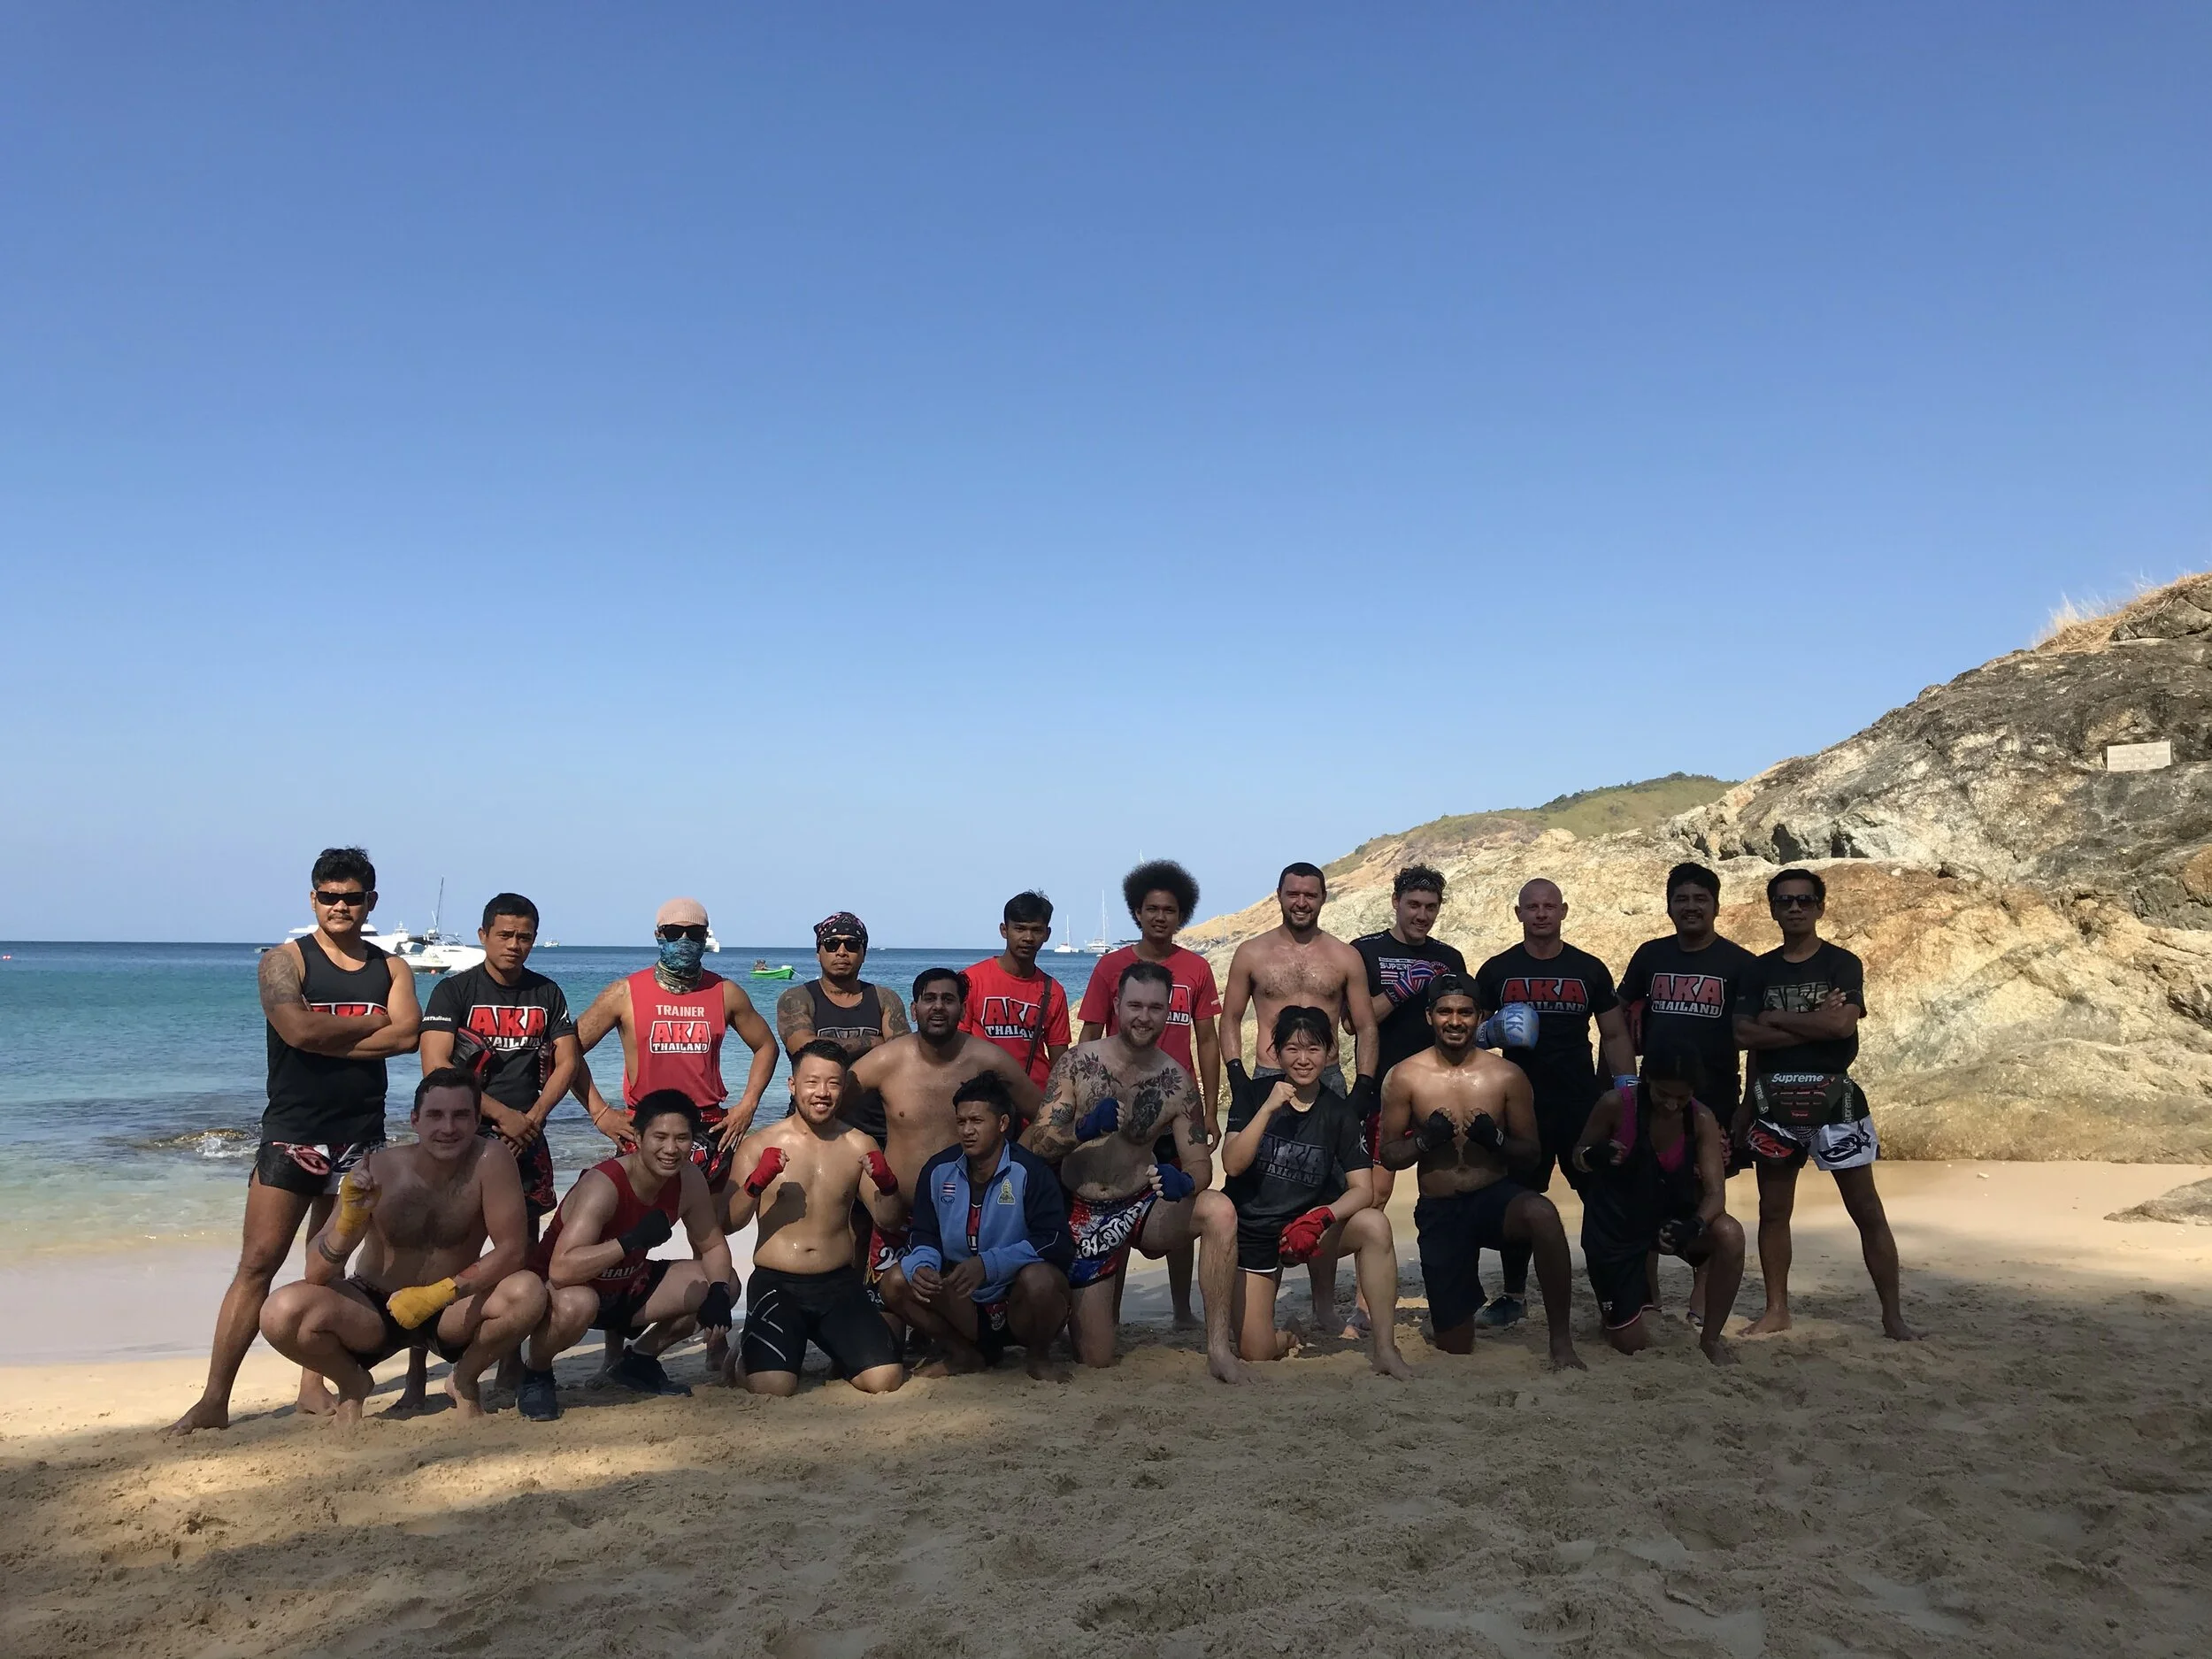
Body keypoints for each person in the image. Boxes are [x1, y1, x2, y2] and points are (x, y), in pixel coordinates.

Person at [171, 847, 422, 1435]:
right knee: (257, 1264)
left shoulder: (392, 969)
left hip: (360, 1136)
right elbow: (297, 1029)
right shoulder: (283, 962)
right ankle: (214, 1399)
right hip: (292, 1134)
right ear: (313, 899)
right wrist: (369, 1024)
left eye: (351, 897)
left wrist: (329, 1035)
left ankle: (313, 1383)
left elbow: (409, 1035)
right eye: (329, 896)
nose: (340, 906)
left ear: (371, 902)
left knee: (326, 1266)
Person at [257, 1069, 549, 1422]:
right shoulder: (377, 1169)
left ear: (476, 1121)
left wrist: (438, 1295)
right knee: (280, 1312)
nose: (448, 1128)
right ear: (415, 1121)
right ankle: (353, 1383)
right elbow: (316, 1273)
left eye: (460, 1116)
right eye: (435, 1115)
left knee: (528, 1292)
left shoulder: (492, 1160)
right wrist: (350, 1221)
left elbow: (512, 1251)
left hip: (449, 1308)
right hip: (374, 1309)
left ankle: (464, 1379)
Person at [1021, 961, 1243, 1382]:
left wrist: (1186, 1181)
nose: (1144, 1016)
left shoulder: (1176, 1081)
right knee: (1095, 1357)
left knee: (1219, 1210)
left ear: (1168, 1012)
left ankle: (1219, 1349)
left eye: (1156, 1008)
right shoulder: (1077, 1064)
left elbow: (1200, 1162)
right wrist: (1084, 1128)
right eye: (1135, 1005)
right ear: (1117, 1004)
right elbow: (1036, 1145)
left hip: (1143, 1204)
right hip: (1082, 1208)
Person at [1733, 869, 1917, 1340]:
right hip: (1772, 1099)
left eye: (1804, 900)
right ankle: (1777, 1309)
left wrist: (1775, 1017)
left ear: (1820, 907)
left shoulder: (1842, 964)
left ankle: (1892, 1316)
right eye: (1785, 900)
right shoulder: (1759, 969)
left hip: (1836, 1097)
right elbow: (1742, 1035)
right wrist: (1812, 1018)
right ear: (1772, 907)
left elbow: (1841, 1029)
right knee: (1774, 1211)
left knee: (1867, 1210)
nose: (1794, 908)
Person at [1377, 977, 1584, 1371]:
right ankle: (1460, 1308)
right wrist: (1424, 1141)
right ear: (1429, 1017)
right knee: (1456, 1345)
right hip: (1441, 1208)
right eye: (1445, 1011)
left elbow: (1531, 1154)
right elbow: (1389, 1156)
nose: (1454, 1021)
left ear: (1480, 1017)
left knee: (1542, 1213)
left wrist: (1496, 1139)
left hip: (1493, 1199)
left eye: (1465, 1012)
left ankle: (1561, 1341)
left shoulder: (1506, 1076)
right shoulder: (1405, 1076)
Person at [1468, 877, 1637, 1329]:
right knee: (1519, 1199)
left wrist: (1627, 1091)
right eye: (1532, 906)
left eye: (1549, 906)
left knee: (1597, 1195)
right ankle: (1513, 1295)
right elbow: (1468, 1034)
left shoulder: (1589, 969)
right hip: (1520, 1103)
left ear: (1563, 911)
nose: (1541, 913)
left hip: (1580, 1101)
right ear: (1519, 913)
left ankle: (1609, 1294)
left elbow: (1615, 1033)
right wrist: (1491, 1033)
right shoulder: (1497, 971)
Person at [1219, 862, 1379, 1336]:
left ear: (1324, 898)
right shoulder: (1253, 952)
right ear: (1280, 895)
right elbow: (1229, 1019)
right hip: (1268, 1075)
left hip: (1330, 1080)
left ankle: (1324, 1306)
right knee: (1259, 1186)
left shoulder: (1344, 956)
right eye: (1293, 893)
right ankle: (1253, 1286)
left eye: (1311, 894)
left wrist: (1364, 1089)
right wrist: (1237, 1075)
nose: (1301, 902)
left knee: (1329, 1193)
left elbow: (1366, 1025)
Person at [518, 1091, 741, 1415]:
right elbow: (561, 1270)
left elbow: (713, 1245)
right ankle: (536, 1373)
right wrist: (629, 1240)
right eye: (660, 1137)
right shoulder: (604, 1184)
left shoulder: (689, 1178)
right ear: (637, 1137)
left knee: (726, 1282)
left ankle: (638, 1360)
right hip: (565, 1295)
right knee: (577, 1302)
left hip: (627, 1285)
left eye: (682, 1139)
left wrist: (719, 1293)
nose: (670, 1149)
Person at [1219, 1006, 1412, 1379]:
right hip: (1256, 1231)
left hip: (1309, 1230)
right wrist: (1269, 1108)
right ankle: (1289, 1333)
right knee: (1255, 1351)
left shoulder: (1338, 1113)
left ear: (1329, 1053)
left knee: (1374, 1224)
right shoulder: (1253, 1095)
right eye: (1292, 1049)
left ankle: (1386, 1350)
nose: (1303, 1060)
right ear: (1275, 1053)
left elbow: (1363, 1189)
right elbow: (1231, 1165)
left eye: (1314, 1050)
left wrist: (1319, 1217)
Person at [572, 897, 777, 1233]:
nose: (683, 941)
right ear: (658, 935)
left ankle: (710, 1285)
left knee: (711, 1230)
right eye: (673, 932)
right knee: (622, 1226)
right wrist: (599, 1111)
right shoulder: (624, 993)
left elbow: (766, 1045)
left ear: (705, 937)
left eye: (694, 933)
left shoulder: (725, 992)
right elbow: (568, 1051)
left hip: (709, 1128)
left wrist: (748, 1104)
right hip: (647, 1126)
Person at [1075, 859, 1222, 1328]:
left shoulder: (1196, 968)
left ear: (1182, 915)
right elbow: (1090, 1033)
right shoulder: (1110, 966)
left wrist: (1211, 1107)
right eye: (1152, 909)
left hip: (1177, 1107)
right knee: (1112, 1204)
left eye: (1170, 910)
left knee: (1181, 1200)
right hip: (1118, 1112)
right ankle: (1108, 1315)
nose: (1161, 917)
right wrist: (1084, 1100)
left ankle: (1182, 1311)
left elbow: (1208, 1039)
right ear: (1136, 912)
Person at [847, 969, 1043, 1310]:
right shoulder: (885, 1060)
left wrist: (1015, 1161)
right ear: (913, 1009)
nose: (938, 1007)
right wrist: (861, 1159)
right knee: (887, 1336)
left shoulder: (988, 1061)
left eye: (948, 1000)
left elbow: (1043, 1114)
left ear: (963, 1010)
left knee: (961, 1318)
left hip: (970, 1221)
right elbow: (828, 1110)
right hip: (899, 1215)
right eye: (929, 999)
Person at [1616, 862, 1759, 1325]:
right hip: (1651, 1095)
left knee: (1705, 1192)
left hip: (1714, 1096)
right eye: (1682, 899)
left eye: (1700, 899)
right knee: (1642, 1191)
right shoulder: (1650, 955)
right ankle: (1649, 1296)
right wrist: (1617, 1081)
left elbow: (1752, 1040)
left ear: (1716, 906)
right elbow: (1619, 1017)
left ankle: (1700, 1295)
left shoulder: (1740, 963)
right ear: (1669, 906)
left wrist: (1746, 1105)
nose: (1691, 907)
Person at [721, 1041, 908, 1395]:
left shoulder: (859, 1144)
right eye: (812, 1082)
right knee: (773, 1388)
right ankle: (745, 1350)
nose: (822, 1093)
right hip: (777, 1282)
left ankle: (825, 1345)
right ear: (793, 1086)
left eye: (833, 1083)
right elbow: (729, 1223)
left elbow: (890, 1220)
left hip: (837, 1283)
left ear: (843, 1089)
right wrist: (754, 1183)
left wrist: (888, 1185)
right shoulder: (759, 1145)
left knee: (884, 1381)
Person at [887, 1071, 1076, 1383]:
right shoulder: (938, 1169)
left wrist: (990, 1265)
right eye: (961, 1122)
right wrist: (923, 1264)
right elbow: (924, 1233)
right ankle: (962, 1354)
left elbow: (1055, 1241)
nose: (967, 1131)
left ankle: (1039, 1356)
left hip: (1019, 1300)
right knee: (896, 1280)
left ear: (1002, 1124)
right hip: (964, 1301)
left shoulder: (1030, 1171)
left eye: (977, 1121)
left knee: (1041, 1278)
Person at [1569, 1043, 1745, 1365]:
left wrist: (1693, 1225)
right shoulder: (1614, 1105)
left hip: (1668, 1219)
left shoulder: (1701, 1118)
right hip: (1615, 1229)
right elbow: (1577, 1157)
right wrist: (1595, 1156)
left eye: (1682, 1097)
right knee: (1631, 1344)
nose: (1671, 1104)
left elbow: (1715, 1194)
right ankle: (1622, 1309)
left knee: (1731, 1233)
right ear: (1646, 1080)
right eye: (1663, 1094)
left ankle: (1710, 1339)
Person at [419, 892, 581, 1229]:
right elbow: (435, 1065)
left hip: (527, 1133)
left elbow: (568, 1062)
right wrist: (503, 1116)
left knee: (522, 1236)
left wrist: (532, 1119)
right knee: (457, 1233)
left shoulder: (547, 992)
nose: (514, 945)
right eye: (504, 935)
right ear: (483, 936)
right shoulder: (454, 991)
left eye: (524, 937)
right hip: (466, 1131)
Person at [772, 910, 910, 1144]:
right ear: (818, 953)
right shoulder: (797, 998)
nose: (842, 952)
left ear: (864, 953)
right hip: (812, 1125)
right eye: (832, 944)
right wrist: (875, 1043)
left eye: (852, 945)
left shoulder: (885, 999)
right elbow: (809, 1050)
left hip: (876, 1127)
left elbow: (903, 1056)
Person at [959, 890, 1071, 1091]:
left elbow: (1060, 1061)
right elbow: (956, 1046)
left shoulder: (1053, 991)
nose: (1028, 937)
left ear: (1047, 934)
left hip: (1034, 1097)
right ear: (1004, 930)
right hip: (983, 1096)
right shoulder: (971, 981)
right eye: (1019, 929)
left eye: (1036, 930)